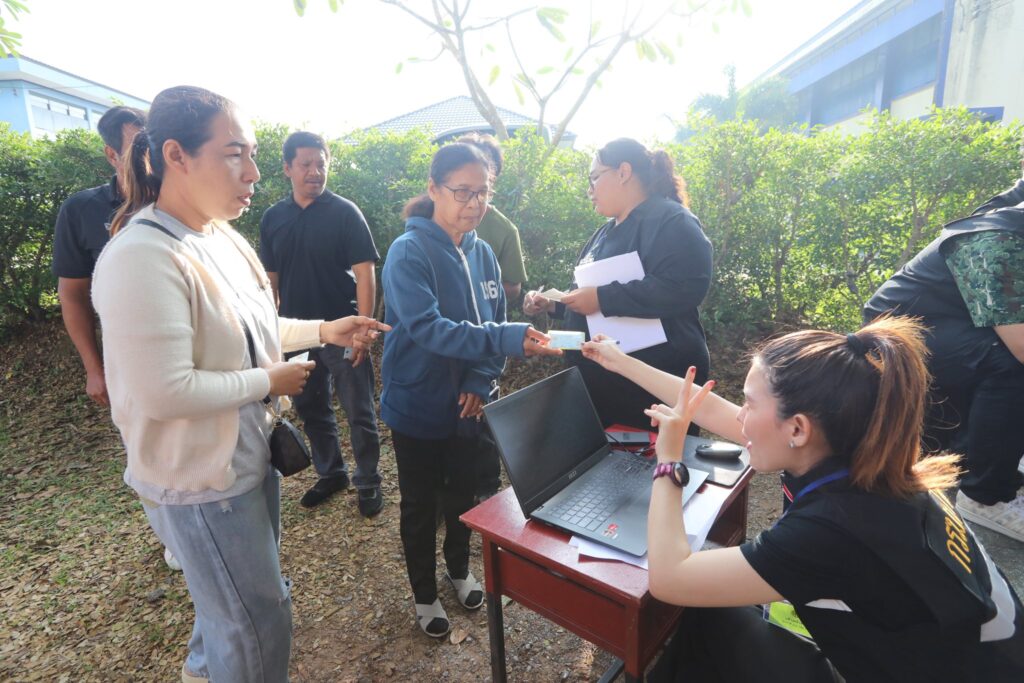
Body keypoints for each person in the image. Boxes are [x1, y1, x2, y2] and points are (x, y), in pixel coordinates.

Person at [91, 85, 389, 683]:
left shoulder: (221, 237)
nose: (252, 172)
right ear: (176, 155)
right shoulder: (140, 257)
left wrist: (323, 329)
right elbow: (162, 391)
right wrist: (267, 380)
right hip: (201, 480)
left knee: (230, 607)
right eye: (234, 154)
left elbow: (252, 328)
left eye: (251, 154)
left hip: (249, 458)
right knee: (256, 620)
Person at [581, 318, 1024, 682]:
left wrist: (669, 463)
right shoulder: (862, 459)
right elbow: (711, 409)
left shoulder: (832, 529)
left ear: (797, 429)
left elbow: (669, 579)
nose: (740, 415)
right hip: (978, 653)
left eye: (749, 404)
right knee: (715, 608)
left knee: (705, 609)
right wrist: (620, 362)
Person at [381, 143, 561, 638]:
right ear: (434, 189)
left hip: (470, 403)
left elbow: (492, 321)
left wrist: (482, 380)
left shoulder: (482, 252)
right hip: (417, 402)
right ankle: (424, 593)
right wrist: (507, 338)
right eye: (463, 192)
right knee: (420, 504)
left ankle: (459, 570)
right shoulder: (408, 252)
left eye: (483, 193)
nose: (475, 203)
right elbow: (430, 329)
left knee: (462, 494)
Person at [863, 165, 1024, 542]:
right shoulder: (991, 241)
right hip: (901, 331)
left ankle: (982, 461)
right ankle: (984, 497)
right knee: (1009, 364)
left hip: (954, 323)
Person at [523, 138, 712, 430]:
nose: (589, 190)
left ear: (623, 172)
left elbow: (684, 287)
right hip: (598, 386)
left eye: (594, 178)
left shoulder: (672, 220)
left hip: (650, 388)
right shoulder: (603, 233)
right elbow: (588, 304)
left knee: (654, 457)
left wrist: (601, 298)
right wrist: (553, 306)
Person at [259, 131, 384, 515]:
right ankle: (332, 473)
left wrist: (363, 329)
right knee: (311, 407)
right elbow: (270, 281)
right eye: (306, 164)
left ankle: (368, 480)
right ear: (287, 168)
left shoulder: (345, 212)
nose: (315, 172)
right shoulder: (273, 218)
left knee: (359, 410)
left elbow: (365, 273)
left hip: (342, 328)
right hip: (298, 334)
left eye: (321, 164)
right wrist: (272, 333)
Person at [52, 105, 145, 408]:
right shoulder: (82, 210)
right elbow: (72, 295)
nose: (150, 158)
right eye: (138, 148)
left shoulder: (181, 201)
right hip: (127, 358)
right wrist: (94, 368)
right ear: (111, 155)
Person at [457, 133, 529, 500]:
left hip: (485, 349)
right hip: (442, 361)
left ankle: (487, 494)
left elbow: (511, 289)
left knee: (482, 423)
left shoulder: (501, 229)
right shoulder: (431, 221)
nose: (471, 200)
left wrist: (485, 286)